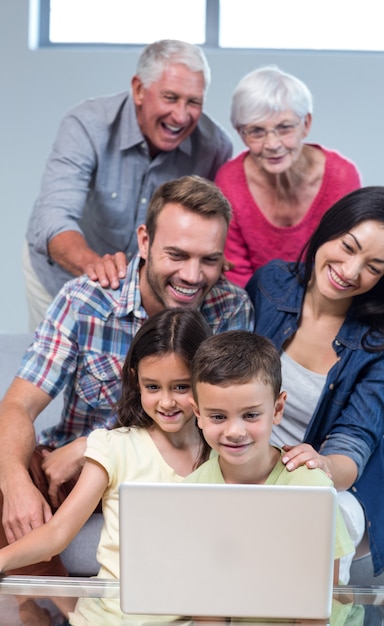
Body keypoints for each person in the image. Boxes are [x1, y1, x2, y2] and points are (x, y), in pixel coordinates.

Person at [0, 175, 254, 577]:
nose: (192, 276)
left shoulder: (230, 309)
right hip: (70, 476)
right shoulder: (86, 300)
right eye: (177, 254)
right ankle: (38, 609)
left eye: (209, 260)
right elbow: (17, 404)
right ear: (145, 241)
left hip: (172, 470)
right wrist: (14, 483)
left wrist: (95, 443)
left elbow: (227, 424)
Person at [246, 185, 384, 578]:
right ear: (330, 229)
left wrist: (320, 465)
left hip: (345, 483)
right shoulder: (271, 286)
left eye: (374, 267)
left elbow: (353, 442)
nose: (351, 271)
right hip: (257, 468)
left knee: (304, 531)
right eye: (349, 246)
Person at [0, 309, 212, 625]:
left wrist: (314, 458)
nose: (166, 402)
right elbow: (57, 533)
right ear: (135, 380)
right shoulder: (113, 447)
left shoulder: (224, 455)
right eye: (152, 387)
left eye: (180, 387)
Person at [24, 39, 233, 330]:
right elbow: (54, 218)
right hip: (64, 273)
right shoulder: (86, 125)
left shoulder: (215, 146)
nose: (181, 115)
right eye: (170, 97)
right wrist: (94, 266)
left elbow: (211, 225)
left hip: (151, 291)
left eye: (193, 102)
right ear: (138, 89)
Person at [185, 330, 354, 585]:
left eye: (251, 415)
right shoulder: (191, 492)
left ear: (277, 409)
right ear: (197, 414)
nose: (235, 432)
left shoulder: (311, 487)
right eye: (218, 417)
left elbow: (323, 599)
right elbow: (205, 591)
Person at [215, 65, 361, 288]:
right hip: (256, 306)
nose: (272, 145)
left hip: (329, 299)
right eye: (256, 131)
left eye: (284, 128)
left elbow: (346, 263)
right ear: (240, 134)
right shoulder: (229, 181)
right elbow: (237, 276)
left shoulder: (342, 177)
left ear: (306, 124)